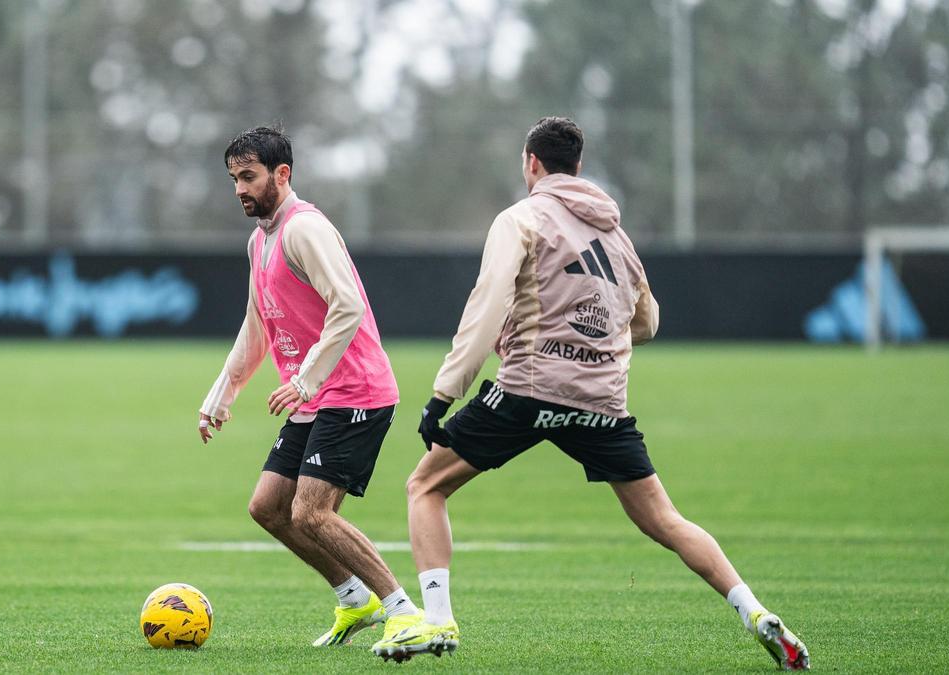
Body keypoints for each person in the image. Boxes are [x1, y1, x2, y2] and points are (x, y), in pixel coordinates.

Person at [371, 117, 810, 670]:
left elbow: (485, 309)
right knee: (665, 520)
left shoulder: (520, 218)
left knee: (425, 485)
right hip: (603, 405)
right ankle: (754, 610)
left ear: (531, 163)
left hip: (529, 390)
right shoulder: (616, 237)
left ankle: (436, 620)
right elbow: (647, 320)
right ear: (577, 167)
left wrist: (443, 395)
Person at [199, 126, 420, 648]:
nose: (239, 189)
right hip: (315, 396)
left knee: (311, 512)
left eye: (248, 177)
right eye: (234, 178)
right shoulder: (261, 240)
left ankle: (403, 610)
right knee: (268, 508)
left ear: (283, 174)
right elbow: (258, 325)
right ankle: (353, 599)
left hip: (355, 392)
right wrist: (219, 397)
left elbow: (349, 306)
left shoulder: (305, 229)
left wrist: (303, 379)